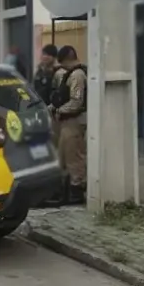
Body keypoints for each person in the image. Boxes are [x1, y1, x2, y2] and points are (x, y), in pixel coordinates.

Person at [47, 45, 87, 205]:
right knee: (63, 155)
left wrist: (60, 110)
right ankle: (65, 191)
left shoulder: (77, 75)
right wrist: (52, 108)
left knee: (74, 156)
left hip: (74, 121)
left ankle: (76, 192)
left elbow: (76, 101)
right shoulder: (68, 74)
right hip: (65, 121)